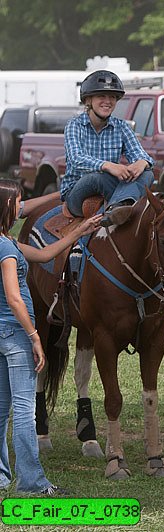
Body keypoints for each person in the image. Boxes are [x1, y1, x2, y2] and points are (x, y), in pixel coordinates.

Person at [0, 179, 100, 494]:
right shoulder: (6, 248)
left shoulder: (8, 243)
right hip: (16, 335)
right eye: (18, 203)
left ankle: (1, 476)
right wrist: (33, 336)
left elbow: (44, 256)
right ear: (7, 209)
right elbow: (15, 298)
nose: (22, 207)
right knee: (24, 409)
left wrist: (77, 233)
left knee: (2, 410)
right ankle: (31, 482)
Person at [63, 70, 155, 228]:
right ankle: (122, 205)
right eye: (101, 96)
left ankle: (118, 208)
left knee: (148, 174)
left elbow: (141, 154)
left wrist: (142, 163)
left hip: (111, 187)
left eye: (112, 97)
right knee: (98, 177)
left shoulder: (121, 126)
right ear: (88, 100)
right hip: (77, 191)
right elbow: (75, 158)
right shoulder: (75, 124)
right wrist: (108, 166)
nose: (107, 101)